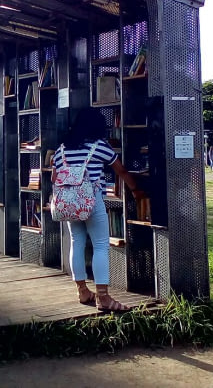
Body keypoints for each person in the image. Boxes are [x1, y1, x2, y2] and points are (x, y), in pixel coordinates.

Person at [52, 108, 146, 312]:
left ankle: (82, 291)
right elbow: (120, 169)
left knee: (76, 243)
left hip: (69, 203)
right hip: (91, 201)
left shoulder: (61, 150)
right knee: (101, 246)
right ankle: (103, 297)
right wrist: (136, 190)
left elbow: (54, 178)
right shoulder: (99, 147)